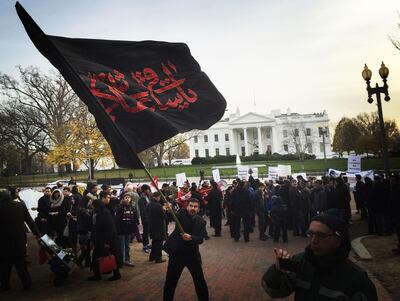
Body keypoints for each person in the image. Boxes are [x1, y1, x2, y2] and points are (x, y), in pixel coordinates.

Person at [262, 211, 378, 300]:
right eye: (310, 234)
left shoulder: (356, 278)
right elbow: (274, 291)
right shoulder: (300, 262)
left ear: (338, 240)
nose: (313, 241)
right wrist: (276, 271)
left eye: (321, 235)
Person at [163, 198, 209, 301]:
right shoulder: (181, 213)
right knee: (170, 281)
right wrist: (169, 210)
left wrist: (191, 238)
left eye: (195, 206)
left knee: (199, 281)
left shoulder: (201, 221)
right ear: (187, 206)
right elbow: (173, 215)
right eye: (191, 206)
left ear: (198, 209)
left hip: (192, 255)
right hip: (177, 254)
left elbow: (201, 239)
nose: (192, 208)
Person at [0, 190, 41, 291]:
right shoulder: (20, 206)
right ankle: (27, 283)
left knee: (5, 265)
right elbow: (30, 221)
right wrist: (37, 234)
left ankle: (5, 285)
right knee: (21, 264)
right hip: (19, 240)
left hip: (3, 241)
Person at [88, 191, 122, 281]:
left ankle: (115, 274)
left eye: (93, 206)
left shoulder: (105, 214)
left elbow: (110, 229)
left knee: (110, 256)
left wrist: (107, 242)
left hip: (107, 240)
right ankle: (98, 274)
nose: (92, 207)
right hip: (100, 240)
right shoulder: (98, 213)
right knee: (98, 257)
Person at [115, 193, 137, 267]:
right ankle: (121, 261)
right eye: (126, 197)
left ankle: (127, 260)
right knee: (121, 246)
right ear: (123, 199)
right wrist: (118, 230)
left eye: (129, 198)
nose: (127, 199)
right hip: (121, 231)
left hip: (128, 230)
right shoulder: (120, 208)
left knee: (127, 246)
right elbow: (117, 220)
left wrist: (133, 230)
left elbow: (134, 220)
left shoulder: (132, 207)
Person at [146, 191, 167, 263]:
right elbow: (164, 216)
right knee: (159, 244)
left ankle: (152, 257)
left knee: (154, 242)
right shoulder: (158, 206)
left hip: (152, 226)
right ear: (158, 197)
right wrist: (164, 210)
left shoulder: (149, 204)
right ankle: (158, 258)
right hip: (159, 227)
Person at [138, 184, 152, 253]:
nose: (149, 191)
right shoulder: (142, 198)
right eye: (148, 189)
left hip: (148, 218)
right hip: (145, 218)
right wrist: (146, 219)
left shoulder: (147, 196)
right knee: (145, 232)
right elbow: (142, 210)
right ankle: (145, 246)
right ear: (145, 190)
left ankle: (147, 244)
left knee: (147, 232)